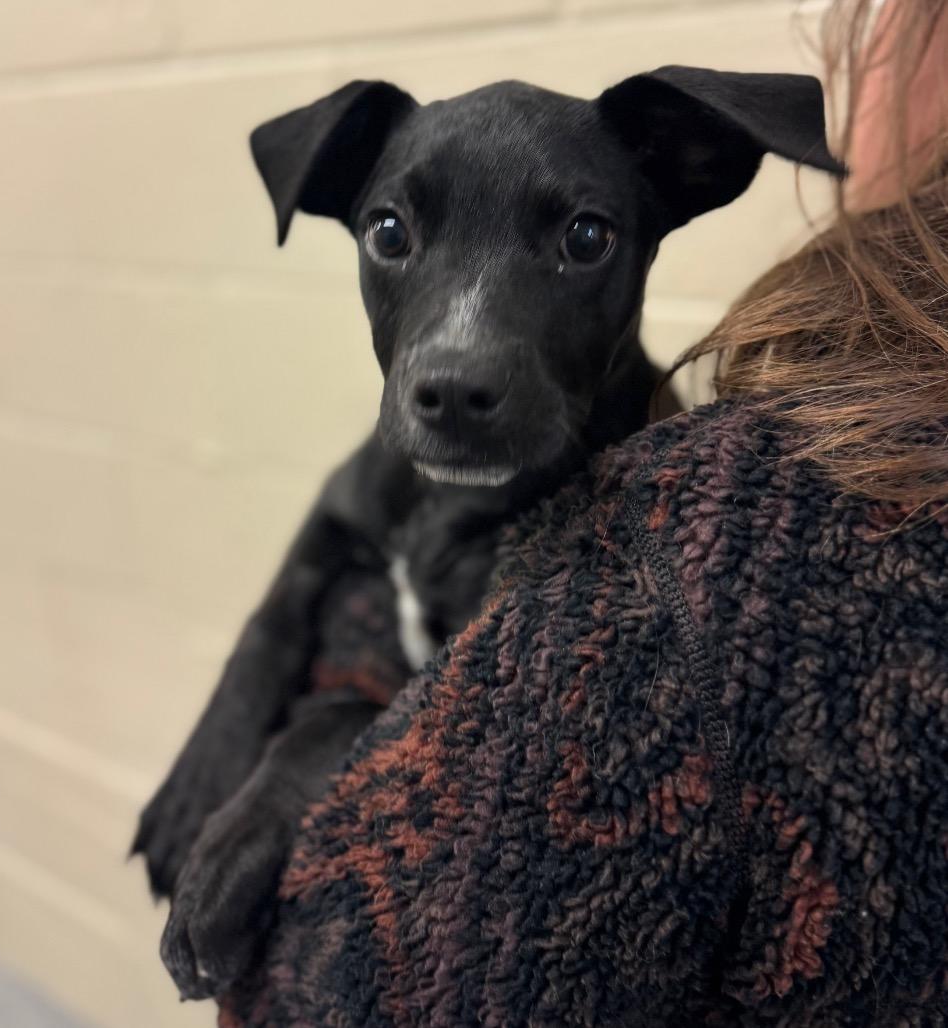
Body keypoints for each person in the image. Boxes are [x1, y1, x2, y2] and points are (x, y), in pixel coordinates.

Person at [220, 0, 948, 1023]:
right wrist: (250, 708)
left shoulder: (666, 554)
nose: (456, 364)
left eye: (580, 236)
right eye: (394, 232)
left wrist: (318, 738)